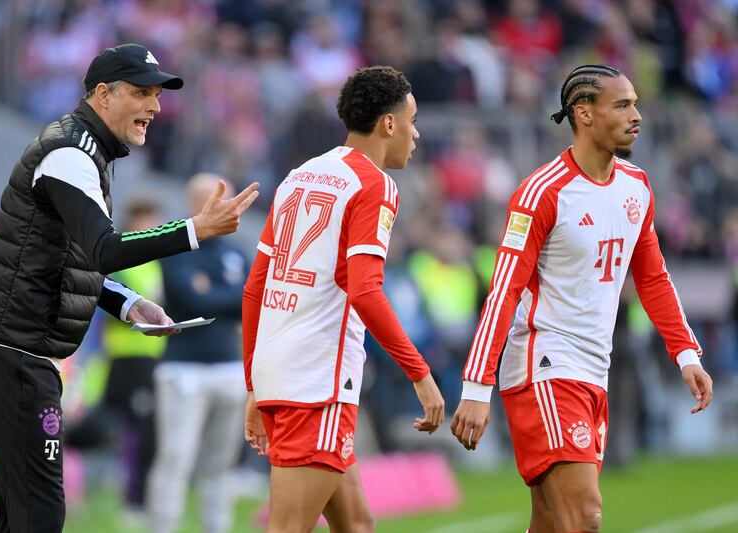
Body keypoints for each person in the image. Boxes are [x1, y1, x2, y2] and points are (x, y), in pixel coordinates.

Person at [0, 43, 259, 533]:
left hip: (14, 349)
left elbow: (69, 258)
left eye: (157, 95)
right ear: (102, 94)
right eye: (142, 92)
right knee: (39, 513)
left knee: (26, 514)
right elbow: (104, 249)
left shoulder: (87, 150)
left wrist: (128, 302)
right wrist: (195, 229)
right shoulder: (71, 153)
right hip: (11, 350)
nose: (155, 107)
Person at [450, 64, 714, 533]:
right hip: (545, 364)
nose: (637, 115)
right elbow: (504, 290)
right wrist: (475, 386)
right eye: (622, 105)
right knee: (586, 517)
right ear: (584, 113)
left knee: (551, 521)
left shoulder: (637, 186)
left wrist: (686, 352)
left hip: (594, 366)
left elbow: (653, 278)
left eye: (635, 103)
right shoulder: (542, 192)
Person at [242, 66, 445, 533]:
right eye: (412, 120)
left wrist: (255, 384)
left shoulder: (300, 175)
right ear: (388, 124)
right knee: (288, 527)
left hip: (281, 371)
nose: (416, 134)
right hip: (319, 381)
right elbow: (366, 289)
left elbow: (257, 286)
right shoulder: (374, 184)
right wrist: (420, 372)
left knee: (357, 524)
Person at [147, 174, 248, 533]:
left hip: (230, 367)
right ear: (196, 204)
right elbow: (192, 300)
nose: (229, 208)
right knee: (176, 458)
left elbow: (251, 299)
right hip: (183, 369)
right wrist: (228, 294)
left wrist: (215, 293)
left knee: (220, 465)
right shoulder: (175, 245)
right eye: (218, 199)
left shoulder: (236, 250)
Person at [99, 198, 166, 520]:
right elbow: (109, 307)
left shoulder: (157, 264)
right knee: (137, 427)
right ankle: (133, 500)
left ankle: (141, 495)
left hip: (152, 358)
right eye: (147, 219)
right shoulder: (123, 261)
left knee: (149, 427)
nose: (152, 226)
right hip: (126, 358)